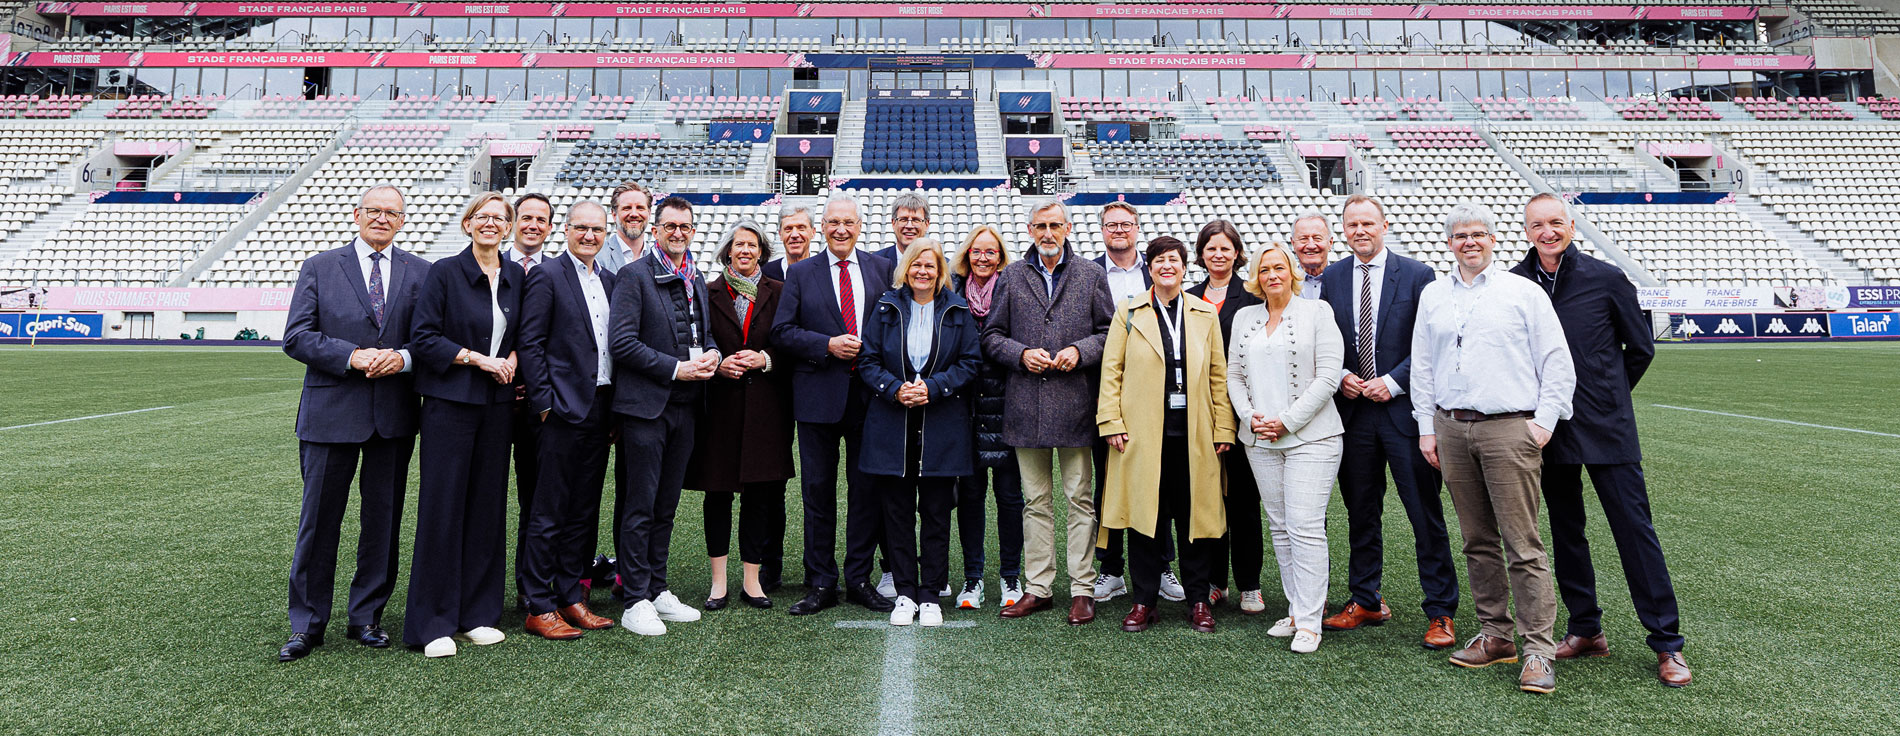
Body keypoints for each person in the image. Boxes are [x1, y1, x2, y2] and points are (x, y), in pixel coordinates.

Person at [1510, 193, 1690, 687]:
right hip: (1550, 430)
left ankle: (1667, 645)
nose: (1547, 232)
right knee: (1567, 533)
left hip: (1609, 428)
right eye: (1537, 225)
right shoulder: (1515, 284)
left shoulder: (1606, 278)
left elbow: (1642, 347)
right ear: (1526, 230)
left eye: (1555, 223)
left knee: (1634, 531)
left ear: (1570, 225)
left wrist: (1607, 394)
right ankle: (1585, 628)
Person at [1413, 202, 1575, 694]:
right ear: (1449, 244)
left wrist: (1543, 422)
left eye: (1479, 234)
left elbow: (1556, 360)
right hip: (1452, 428)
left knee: (1523, 545)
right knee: (1477, 541)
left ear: (1494, 239)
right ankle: (1495, 635)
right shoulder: (1434, 295)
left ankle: (1539, 651)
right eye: (1461, 236)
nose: (1470, 242)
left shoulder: (1521, 293)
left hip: (1510, 428)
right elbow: (1423, 365)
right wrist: (1427, 428)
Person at [279, 183, 428, 662]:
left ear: (402, 221)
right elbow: (297, 337)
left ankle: (366, 617)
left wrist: (403, 358)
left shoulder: (421, 272)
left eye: (393, 213)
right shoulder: (319, 267)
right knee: (319, 522)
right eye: (375, 210)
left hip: (394, 415)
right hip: (329, 413)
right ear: (357, 213)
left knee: (382, 523)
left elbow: (428, 341)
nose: (383, 218)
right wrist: (353, 356)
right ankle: (307, 624)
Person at [1318, 194, 1462, 650]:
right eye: (1352, 224)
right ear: (1344, 230)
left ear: (1384, 226)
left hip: (1403, 413)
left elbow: (1428, 345)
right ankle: (1365, 599)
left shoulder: (1418, 275)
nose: (1360, 231)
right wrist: (1342, 375)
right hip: (1354, 414)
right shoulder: (1335, 276)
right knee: (1361, 512)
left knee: (1424, 513)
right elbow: (1329, 339)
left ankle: (1440, 611)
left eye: (1368, 223)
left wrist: (1394, 382)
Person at [403, 191, 527, 658]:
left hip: (496, 407)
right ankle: (431, 623)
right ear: (468, 222)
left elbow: (521, 336)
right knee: (443, 509)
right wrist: (479, 360)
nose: (491, 223)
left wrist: (511, 357)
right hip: (449, 405)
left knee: (487, 510)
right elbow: (424, 338)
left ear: (509, 227)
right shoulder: (444, 272)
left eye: (500, 218)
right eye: (483, 216)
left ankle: (477, 613)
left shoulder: (515, 275)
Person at [982, 199, 1114, 626]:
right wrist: (1021, 355)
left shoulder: (1092, 274)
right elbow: (992, 336)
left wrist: (1080, 350)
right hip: (1026, 407)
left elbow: (1109, 332)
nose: (1048, 233)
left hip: (1077, 404)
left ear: (1069, 228)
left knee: (1080, 499)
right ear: (1029, 229)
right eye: (1040, 226)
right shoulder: (1013, 276)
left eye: (1055, 225)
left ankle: (1082, 588)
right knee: (1035, 501)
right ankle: (1038, 587)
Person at [1097, 236, 1235, 633]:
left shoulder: (1204, 314)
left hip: (1194, 436)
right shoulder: (1129, 310)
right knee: (1145, 522)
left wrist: (1224, 426)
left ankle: (1197, 600)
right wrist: (1112, 422)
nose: (1166, 266)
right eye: (1158, 260)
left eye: (1173, 260)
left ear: (1184, 266)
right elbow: (1112, 371)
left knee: (1194, 520)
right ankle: (1144, 601)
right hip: (1143, 435)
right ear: (1150, 267)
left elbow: (1217, 376)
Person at [770, 192, 898, 616]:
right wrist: (826, 344)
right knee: (818, 493)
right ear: (822, 227)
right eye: (833, 222)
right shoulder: (802, 273)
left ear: (860, 226)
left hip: (870, 399)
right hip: (817, 399)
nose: (841, 229)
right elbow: (782, 333)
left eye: (848, 222)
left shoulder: (882, 269)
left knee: (866, 492)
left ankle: (858, 578)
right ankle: (821, 580)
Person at [608, 195, 721, 636]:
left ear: (693, 231)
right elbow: (622, 343)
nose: (678, 233)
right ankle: (634, 597)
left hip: (686, 407)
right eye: (670, 226)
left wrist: (711, 354)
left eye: (685, 227)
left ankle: (656, 587)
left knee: (666, 506)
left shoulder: (696, 277)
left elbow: (704, 334)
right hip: (645, 408)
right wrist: (676, 367)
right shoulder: (633, 276)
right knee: (639, 504)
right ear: (655, 230)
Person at [1225, 243, 1345, 653]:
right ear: (1255, 276)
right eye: (1264, 269)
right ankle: (1296, 610)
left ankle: (1311, 621)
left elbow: (1329, 377)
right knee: (1279, 526)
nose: (1272, 275)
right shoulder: (1244, 317)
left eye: (1279, 267)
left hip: (1313, 437)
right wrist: (1250, 416)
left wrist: (1288, 420)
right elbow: (1234, 375)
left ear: (1291, 271)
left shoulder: (1317, 312)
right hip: (1259, 438)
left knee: (1305, 526)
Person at [858, 237, 983, 627]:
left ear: (940, 270)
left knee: (935, 512)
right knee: (895, 513)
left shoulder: (958, 309)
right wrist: (895, 389)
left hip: (941, 425)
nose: (923, 272)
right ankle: (906, 593)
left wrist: (935, 387)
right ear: (906, 269)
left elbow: (970, 362)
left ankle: (930, 593)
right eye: (916, 265)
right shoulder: (885, 307)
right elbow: (868, 359)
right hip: (892, 424)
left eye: (930, 266)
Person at [516, 200, 619, 640]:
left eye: (597, 230)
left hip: (600, 407)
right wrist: (542, 404)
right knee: (549, 509)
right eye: (582, 228)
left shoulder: (611, 281)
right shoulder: (547, 274)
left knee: (583, 509)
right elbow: (532, 342)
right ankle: (539, 603)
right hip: (559, 410)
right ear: (566, 230)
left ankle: (570, 595)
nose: (589, 236)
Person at [686, 220, 793, 611]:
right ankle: (718, 582)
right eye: (738, 245)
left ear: (762, 252)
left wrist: (765, 359)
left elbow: (793, 345)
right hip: (719, 408)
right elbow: (693, 341)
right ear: (727, 251)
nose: (745, 251)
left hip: (767, 410)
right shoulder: (705, 290)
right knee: (717, 495)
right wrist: (717, 365)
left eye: (752, 245)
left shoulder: (780, 293)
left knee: (760, 496)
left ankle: (752, 581)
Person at [1185, 219, 1264, 613]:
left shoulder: (1252, 296)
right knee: (1207, 498)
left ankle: (1249, 582)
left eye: (1225, 248)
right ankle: (1216, 582)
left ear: (1237, 252)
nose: (1218, 255)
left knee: (1244, 499)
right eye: (1211, 248)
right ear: (1201, 253)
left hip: (1242, 409)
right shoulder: (1186, 296)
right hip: (1198, 413)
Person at [949, 225, 1025, 610]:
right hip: (964, 410)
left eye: (990, 252)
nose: (982, 258)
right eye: (976, 252)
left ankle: (1011, 576)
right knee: (971, 497)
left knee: (1011, 497)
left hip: (1008, 410)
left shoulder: (1013, 291)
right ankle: (973, 578)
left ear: (1001, 257)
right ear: (967, 255)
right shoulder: (953, 294)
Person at [1088, 201, 1154, 603]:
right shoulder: (1088, 272)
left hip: (1155, 393)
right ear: (1102, 230)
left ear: (1137, 227)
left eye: (1125, 224)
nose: (1118, 230)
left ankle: (1160, 564)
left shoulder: (1159, 269)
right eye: (1111, 224)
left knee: (1157, 478)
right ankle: (1110, 569)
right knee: (1107, 482)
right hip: (1104, 391)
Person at [503, 192, 553, 612]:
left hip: (537, 406)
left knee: (536, 498)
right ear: (513, 222)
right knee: (485, 496)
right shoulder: (491, 265)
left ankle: (529, 586)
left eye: (542, 219)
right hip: (491, 399)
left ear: (551, 228)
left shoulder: (554, 273)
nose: (533, 225)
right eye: (527, 217)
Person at [597, 181, 652, 274]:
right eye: (627, 208)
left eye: (640, 208)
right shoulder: (598, 258)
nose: (634, 214)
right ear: (614, 215)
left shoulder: (657, 259)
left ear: (649, 213)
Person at [871, 190, 930, 262]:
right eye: (903, 219)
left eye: (916, 220)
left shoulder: (942, 265)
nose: (909, 226)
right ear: (893, 223)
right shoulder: (874, 263)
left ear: (926, 224)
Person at [763, 202, 816, 282]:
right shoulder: (765, 274)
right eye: (788, 228)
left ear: (813, 232)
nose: (794, 235)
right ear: (780, 234)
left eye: (801, 228)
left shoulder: (826, 272)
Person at [1288, 210, 1332, 300]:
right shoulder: (1285, 283)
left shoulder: (1345, 280)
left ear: (1330, 243)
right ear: (1293, 244)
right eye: (1303, 239)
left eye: (1317, 238)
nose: (1311, 245)